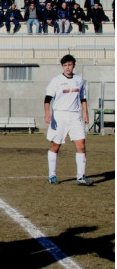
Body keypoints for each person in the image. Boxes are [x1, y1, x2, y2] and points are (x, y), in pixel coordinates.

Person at [44, 55, 93, 186]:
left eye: (70, 65)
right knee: (55, 146)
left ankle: (81, 176)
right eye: (65, 65)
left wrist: (85, 113)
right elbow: (47, 99)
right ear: (62, 66)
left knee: (81, 145)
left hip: (75, 117)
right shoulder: (56, 80)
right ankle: (52, 175)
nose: (67, 67)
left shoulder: (79, 80)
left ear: (73, 65)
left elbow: (83, 98)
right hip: (59, 116)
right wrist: (47, 113)